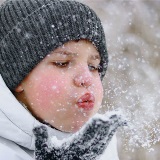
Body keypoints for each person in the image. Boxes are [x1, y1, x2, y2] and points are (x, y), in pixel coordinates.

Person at [0, 0, 119, 159]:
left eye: (94, 67)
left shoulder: (97, 145)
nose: (86, 78)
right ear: (18, 76)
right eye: (62, 63)